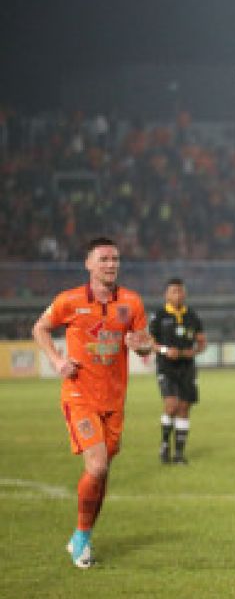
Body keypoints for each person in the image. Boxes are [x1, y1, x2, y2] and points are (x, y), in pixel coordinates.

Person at [30, 237, 153, 568]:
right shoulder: (69, 301)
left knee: (101, 475)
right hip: (79, 395)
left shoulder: (131, 302)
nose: (111, 264)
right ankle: (82, 538)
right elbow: (40, 328)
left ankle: (82, 537)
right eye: (103, 259)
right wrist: (57, 361)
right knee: (96, 465)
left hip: (114, 400)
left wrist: (138, 344)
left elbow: (146, 345)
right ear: (88, 265)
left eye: (115, 259)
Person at [148, 277, 206, 464]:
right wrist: (166, 350)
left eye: (181, 291)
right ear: (166, 294)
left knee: (184, 408)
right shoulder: (159, 316)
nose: (178, 295)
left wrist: (194, 351)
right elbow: (150, 342)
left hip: (187, 367)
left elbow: (202, 341)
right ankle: (165, 444)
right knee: (171, 405)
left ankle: (179, 454)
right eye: (174, 291)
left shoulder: (192, 316)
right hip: (166, 366)